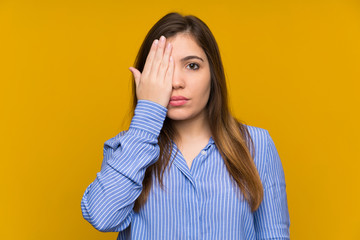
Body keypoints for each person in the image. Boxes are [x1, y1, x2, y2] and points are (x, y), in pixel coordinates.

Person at [81, 12, 290, 239]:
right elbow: (102, 217)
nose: (176, 82)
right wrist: (148, 114)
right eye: (163, 68)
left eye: (192, 66)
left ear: (213, 73)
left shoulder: (256, 145)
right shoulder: (126, 149)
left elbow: (274, 235)